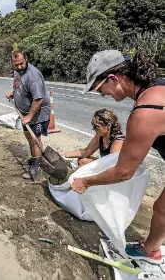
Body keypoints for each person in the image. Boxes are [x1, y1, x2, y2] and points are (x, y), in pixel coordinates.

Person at [71, 50, 165, 263]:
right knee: (161, 208)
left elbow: (123, 172)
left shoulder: (145, 112)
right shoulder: (156, 86)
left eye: (99, 89)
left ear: (113, 78)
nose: (103, 95)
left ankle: (151, 250)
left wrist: (86, 181)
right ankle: (152, 250)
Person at [6, 50, 51, 180]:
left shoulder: (33, 76)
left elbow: (38, 99)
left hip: (38, 112)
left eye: (21, 63)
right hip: (26, 113)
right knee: (29, 137)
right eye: (16, 65)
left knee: (34, 139)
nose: (19, 67)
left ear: (26, 59)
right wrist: (13, 93)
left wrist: (29, 116)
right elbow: (21, 87)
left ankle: (35, 168)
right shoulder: (18, 71)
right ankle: (35, 157)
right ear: (12, 63)